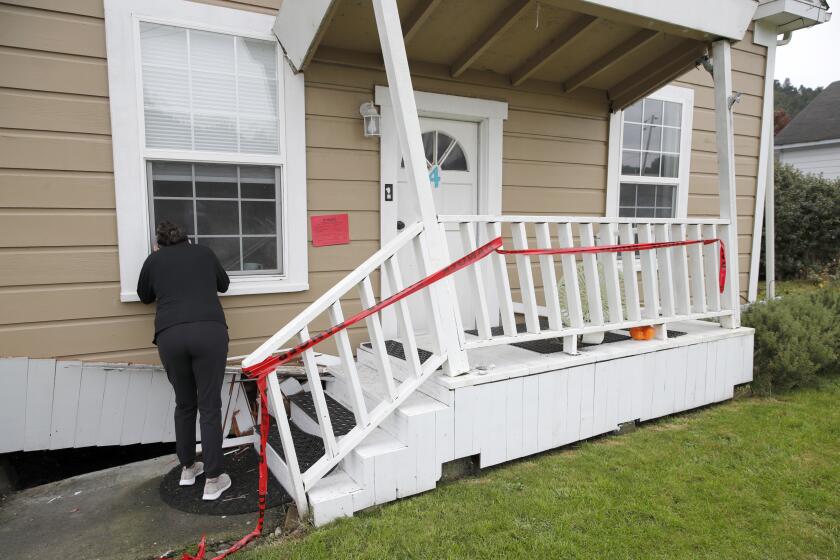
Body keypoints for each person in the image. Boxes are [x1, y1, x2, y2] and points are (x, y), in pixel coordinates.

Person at [137, 221, 232, 501]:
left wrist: (158, 260)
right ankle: (213, 480)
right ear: (187, 239)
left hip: (170, 336)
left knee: (185, 403)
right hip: (209, 332)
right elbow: (223, 285)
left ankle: (188, 469)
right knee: (210, 406)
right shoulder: (203, 253)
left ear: (159, 242)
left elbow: (145, 297)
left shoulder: (153, 260)